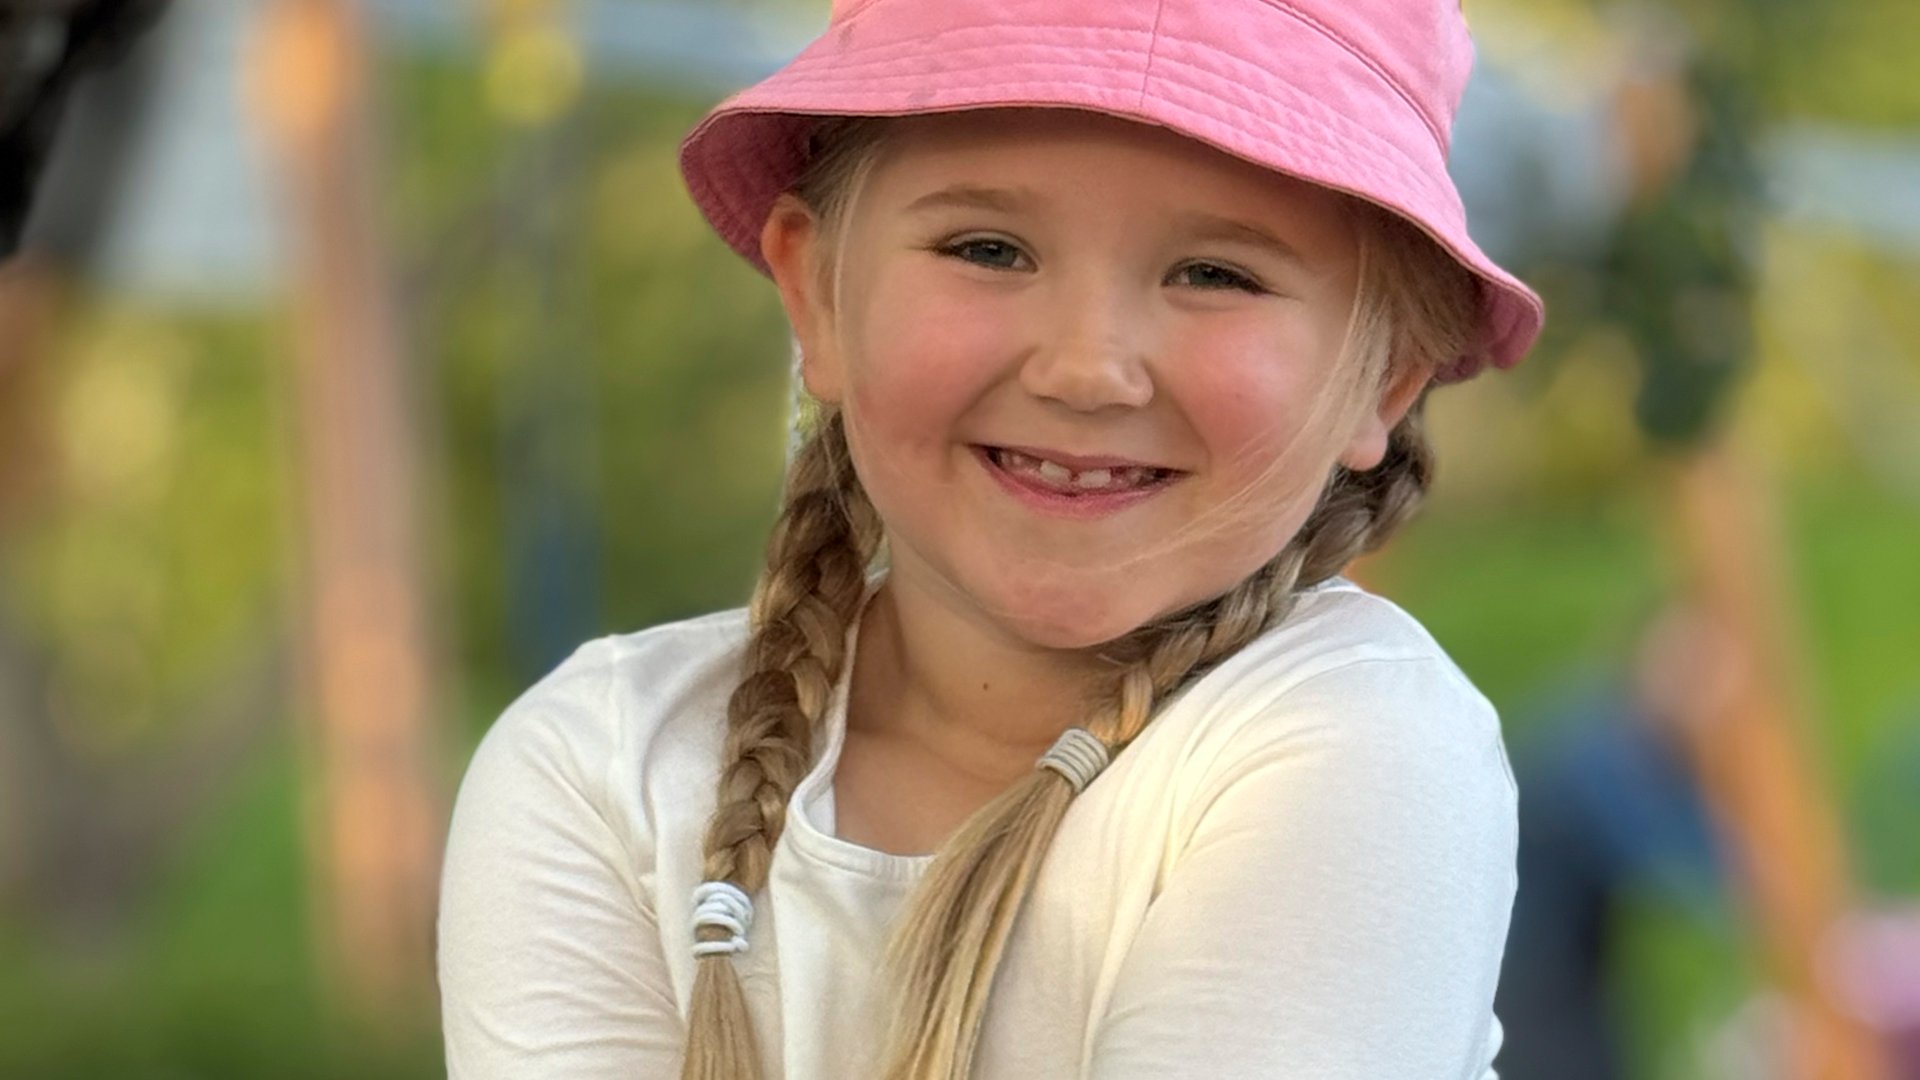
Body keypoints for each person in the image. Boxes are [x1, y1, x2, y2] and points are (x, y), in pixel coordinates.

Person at [437, 1, 1546, 1078]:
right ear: (814, 294)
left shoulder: (1346, 752)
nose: (1085, 367)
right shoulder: (600, 771)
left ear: (1386, 376)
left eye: (1216, 274)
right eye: (988, 248)